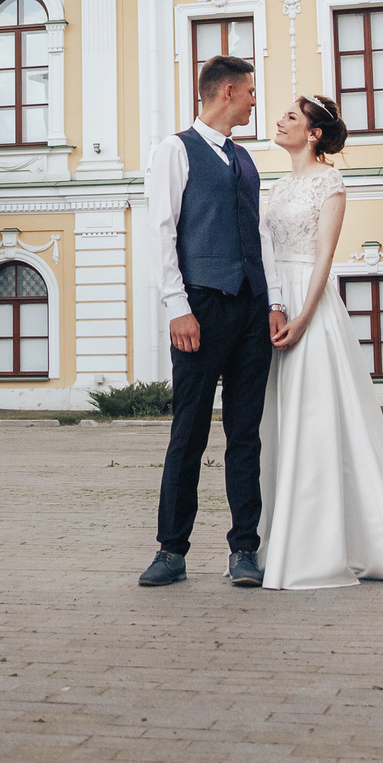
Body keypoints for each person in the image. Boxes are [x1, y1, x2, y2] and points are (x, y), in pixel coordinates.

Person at [256, 94, 383, 590]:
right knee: (280, 421)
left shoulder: (328, 181)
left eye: (291, 116)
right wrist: (274, 307)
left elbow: (324, 257)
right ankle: (277, 542)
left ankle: (318, 548)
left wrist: (304, 316)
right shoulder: (279, 185)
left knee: (315, 419)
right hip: (277, 305)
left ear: (313, 133)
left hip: (311, 304)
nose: (280, 120)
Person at [139, 56, 283, 589]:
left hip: (250, 309)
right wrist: (177, 305)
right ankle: (171, 551)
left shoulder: (246, 160)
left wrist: (275, 302)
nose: (253, 101)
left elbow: (262, 235)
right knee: (189, 432)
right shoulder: (174, 150)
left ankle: (244, 550)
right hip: (200, 306)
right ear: (226, 91)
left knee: (245, 435)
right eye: (249, 92)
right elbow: (161, 230)